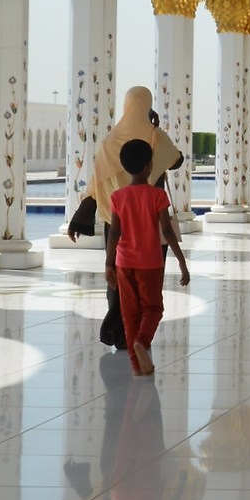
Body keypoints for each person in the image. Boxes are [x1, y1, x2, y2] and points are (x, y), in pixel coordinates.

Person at [104, 137, 189, 377]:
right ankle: (142, 342)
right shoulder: (157, 195)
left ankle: (138, 366)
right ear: (149, 166)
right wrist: (182, 262)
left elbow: (114, 233)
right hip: (150, 263)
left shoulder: (118, 196)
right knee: (153, 307)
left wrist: (109, 264)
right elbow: (168, 232)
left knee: (129, 313)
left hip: (123, 262)